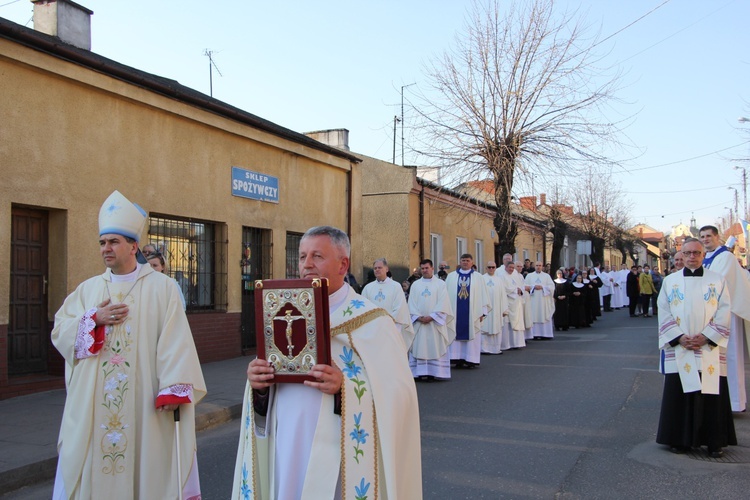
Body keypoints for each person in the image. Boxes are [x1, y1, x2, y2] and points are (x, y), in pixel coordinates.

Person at [234, 226, 422, 499]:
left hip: (338, 450)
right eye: (301, 256)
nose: (306, 264)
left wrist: (344, 387)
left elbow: (399, 395)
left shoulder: (374, 321)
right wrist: (258, 384)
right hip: (285, 441)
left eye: (317, 256)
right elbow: (266, 388)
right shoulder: (280, 312)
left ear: (342, 264)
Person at [50, 190, 206, 499]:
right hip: (94, 408)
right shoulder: (88, 290)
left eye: (113, 242)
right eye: (102, 243)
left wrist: (173, 389)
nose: (105, 249)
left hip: (144, 405)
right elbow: (61, 332)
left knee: (146, 472)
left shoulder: (163, 289)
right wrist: (93, 319)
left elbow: (175, 340)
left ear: (133, 246)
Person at [655, 237, 736, 457]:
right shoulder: (670, 281)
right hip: (681, 346)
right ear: (681, 254)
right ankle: (680, 440)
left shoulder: (717, 280)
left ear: (703, 255)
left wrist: (707, 337)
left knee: (710, 394)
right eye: (687, 253)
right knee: (681, 392)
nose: (692, 257)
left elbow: (724, 310)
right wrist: (679, 337)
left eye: (696, 253)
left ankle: (714, 441)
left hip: (707, 347)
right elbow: (663, 310)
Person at [700, 225, 750, 412]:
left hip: (728, 313)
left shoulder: (725, 257)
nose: (705, 239)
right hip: (711, 314)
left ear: (717, 237)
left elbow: (715, 281)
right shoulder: (707, 257)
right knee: (714, 358)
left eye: (708, 236)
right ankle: (719, 402)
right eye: (702, 237)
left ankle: (735, 402)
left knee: (730, 357)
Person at [408, 259, 455, 380]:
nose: (424, 270)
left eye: (426, 268)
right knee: (419, 345)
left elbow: (443, 302)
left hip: (434, 323)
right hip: (419, 322)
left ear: (432, 268)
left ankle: (435, 372)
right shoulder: (415, 284)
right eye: (422, 268)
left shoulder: (440, 284)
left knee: (435, 344)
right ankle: (419, 372)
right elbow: (411, 303)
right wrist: (418, 317)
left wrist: (433, 316)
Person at [446, 253, 491, 368]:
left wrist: (483, 312)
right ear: (459, 262)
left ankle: (471, 359)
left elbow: (483, 295)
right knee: (455, 333)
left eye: (467, 260)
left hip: (473, 313)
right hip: (455, 312)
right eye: (463, 260)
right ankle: (456, 358)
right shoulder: (451, 276)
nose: (465, 262)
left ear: (472, 262)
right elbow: (445, 295)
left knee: (473, 335)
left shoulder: (478, 277)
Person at [361, 258, 415, 350]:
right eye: (375, 268)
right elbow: (363, 308)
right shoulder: (368, 288)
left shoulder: (396, 286)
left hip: (390, 329)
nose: (377, 270)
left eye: (380, 267)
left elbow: (399, 308)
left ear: (387, 269)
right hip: (373, 329)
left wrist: (385, 322)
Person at [481, 261, 508, 354]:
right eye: (489, 267)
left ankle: (495, 349)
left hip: (497, 308)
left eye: (493, 267)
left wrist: (504, 309)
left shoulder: (499, 280)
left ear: (495, 268)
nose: (491, 269)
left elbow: (503, 295)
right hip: (485, 309)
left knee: (496, 327)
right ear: (486, 268)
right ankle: (483, 348)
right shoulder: (482, 279)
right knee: (484, 328)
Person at [524, 262, 555, 339]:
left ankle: (546, 334)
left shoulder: (546, 276)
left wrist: (542, 287)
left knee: (543, 314)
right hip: (533, 299)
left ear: (542, 267)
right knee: (533, 314)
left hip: (543, 300)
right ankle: (534, 334)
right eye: (537, 266)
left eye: (540, 266)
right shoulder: (529, 276)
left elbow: (552, 287)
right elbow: (525, 286)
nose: (538, 267)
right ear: (535, 267)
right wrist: (533, 287)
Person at [500, 260, 527, 349]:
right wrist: (516, 290)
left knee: (517, 321)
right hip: (508, 301)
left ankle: (516, 343)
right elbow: (504, 288)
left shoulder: (516, 275)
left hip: (516, 302)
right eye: (510, 267)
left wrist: (520, 290)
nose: (511, 269)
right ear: (506, 267)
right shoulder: (502, 276)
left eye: (512, 267)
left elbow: (522, 285)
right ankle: (507, 344)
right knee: (507, 323)